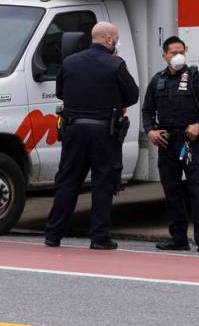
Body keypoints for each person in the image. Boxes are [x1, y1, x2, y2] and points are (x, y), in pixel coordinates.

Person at [44, 21, 139, 250]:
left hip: (74, 129)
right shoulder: (115, 64)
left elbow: (60, 92)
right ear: (108, 40)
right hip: (103, 132)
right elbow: (132, 95)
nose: (116, 42)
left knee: (68, 181)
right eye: (115, 38)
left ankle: (53, 234)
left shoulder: (70, 62)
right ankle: (99, 237)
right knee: (102, 183)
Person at [142, 36, 199, 253]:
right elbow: (147, 111)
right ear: (164, 56)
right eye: (173, 53)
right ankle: (178, 238)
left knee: (196, 188)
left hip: (189, 143)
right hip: (167, 143)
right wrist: (150, 130)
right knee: (171, 190)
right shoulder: (157, 80)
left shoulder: (196, 77)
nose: (178, 56)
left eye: (181, 52)